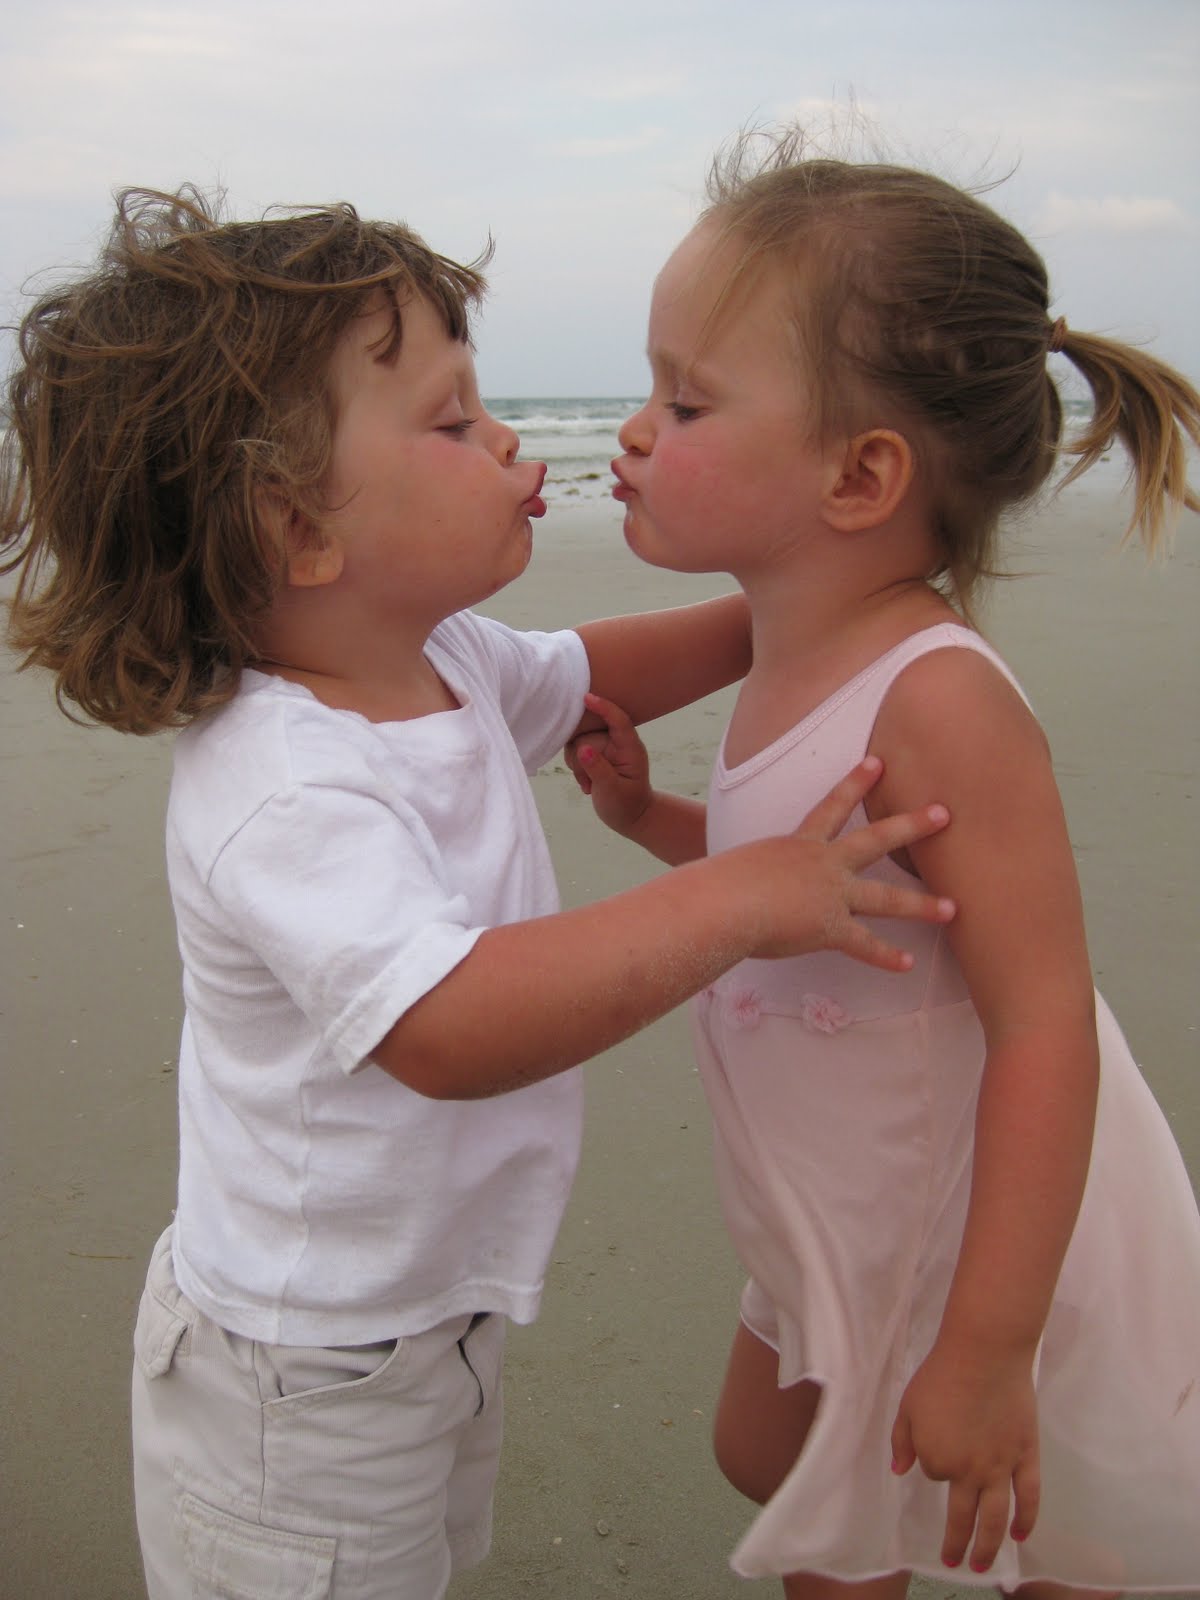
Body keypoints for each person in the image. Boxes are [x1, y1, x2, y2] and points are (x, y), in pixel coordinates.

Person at [0, 186, 955, 1600]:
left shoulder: (438, 658)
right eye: (452, 424)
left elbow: (600, 670)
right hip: (299, 1388)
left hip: (417, 1329)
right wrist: (747, 896)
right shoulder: (283, 782)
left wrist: (812, 595)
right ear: (297, 528)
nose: (505, 439)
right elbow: (452, 1024)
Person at [571, 130, 1200, 1600]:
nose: (638, 430)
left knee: (945, 1526)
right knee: (767, 1452)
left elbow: (1046, 1021)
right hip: (837, 1191)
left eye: (686, 400)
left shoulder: (938, 698)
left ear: (860, 475)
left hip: (956, 1215)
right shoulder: (787, 643)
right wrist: (656, 821)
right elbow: (830, 889)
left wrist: (987, 1347)